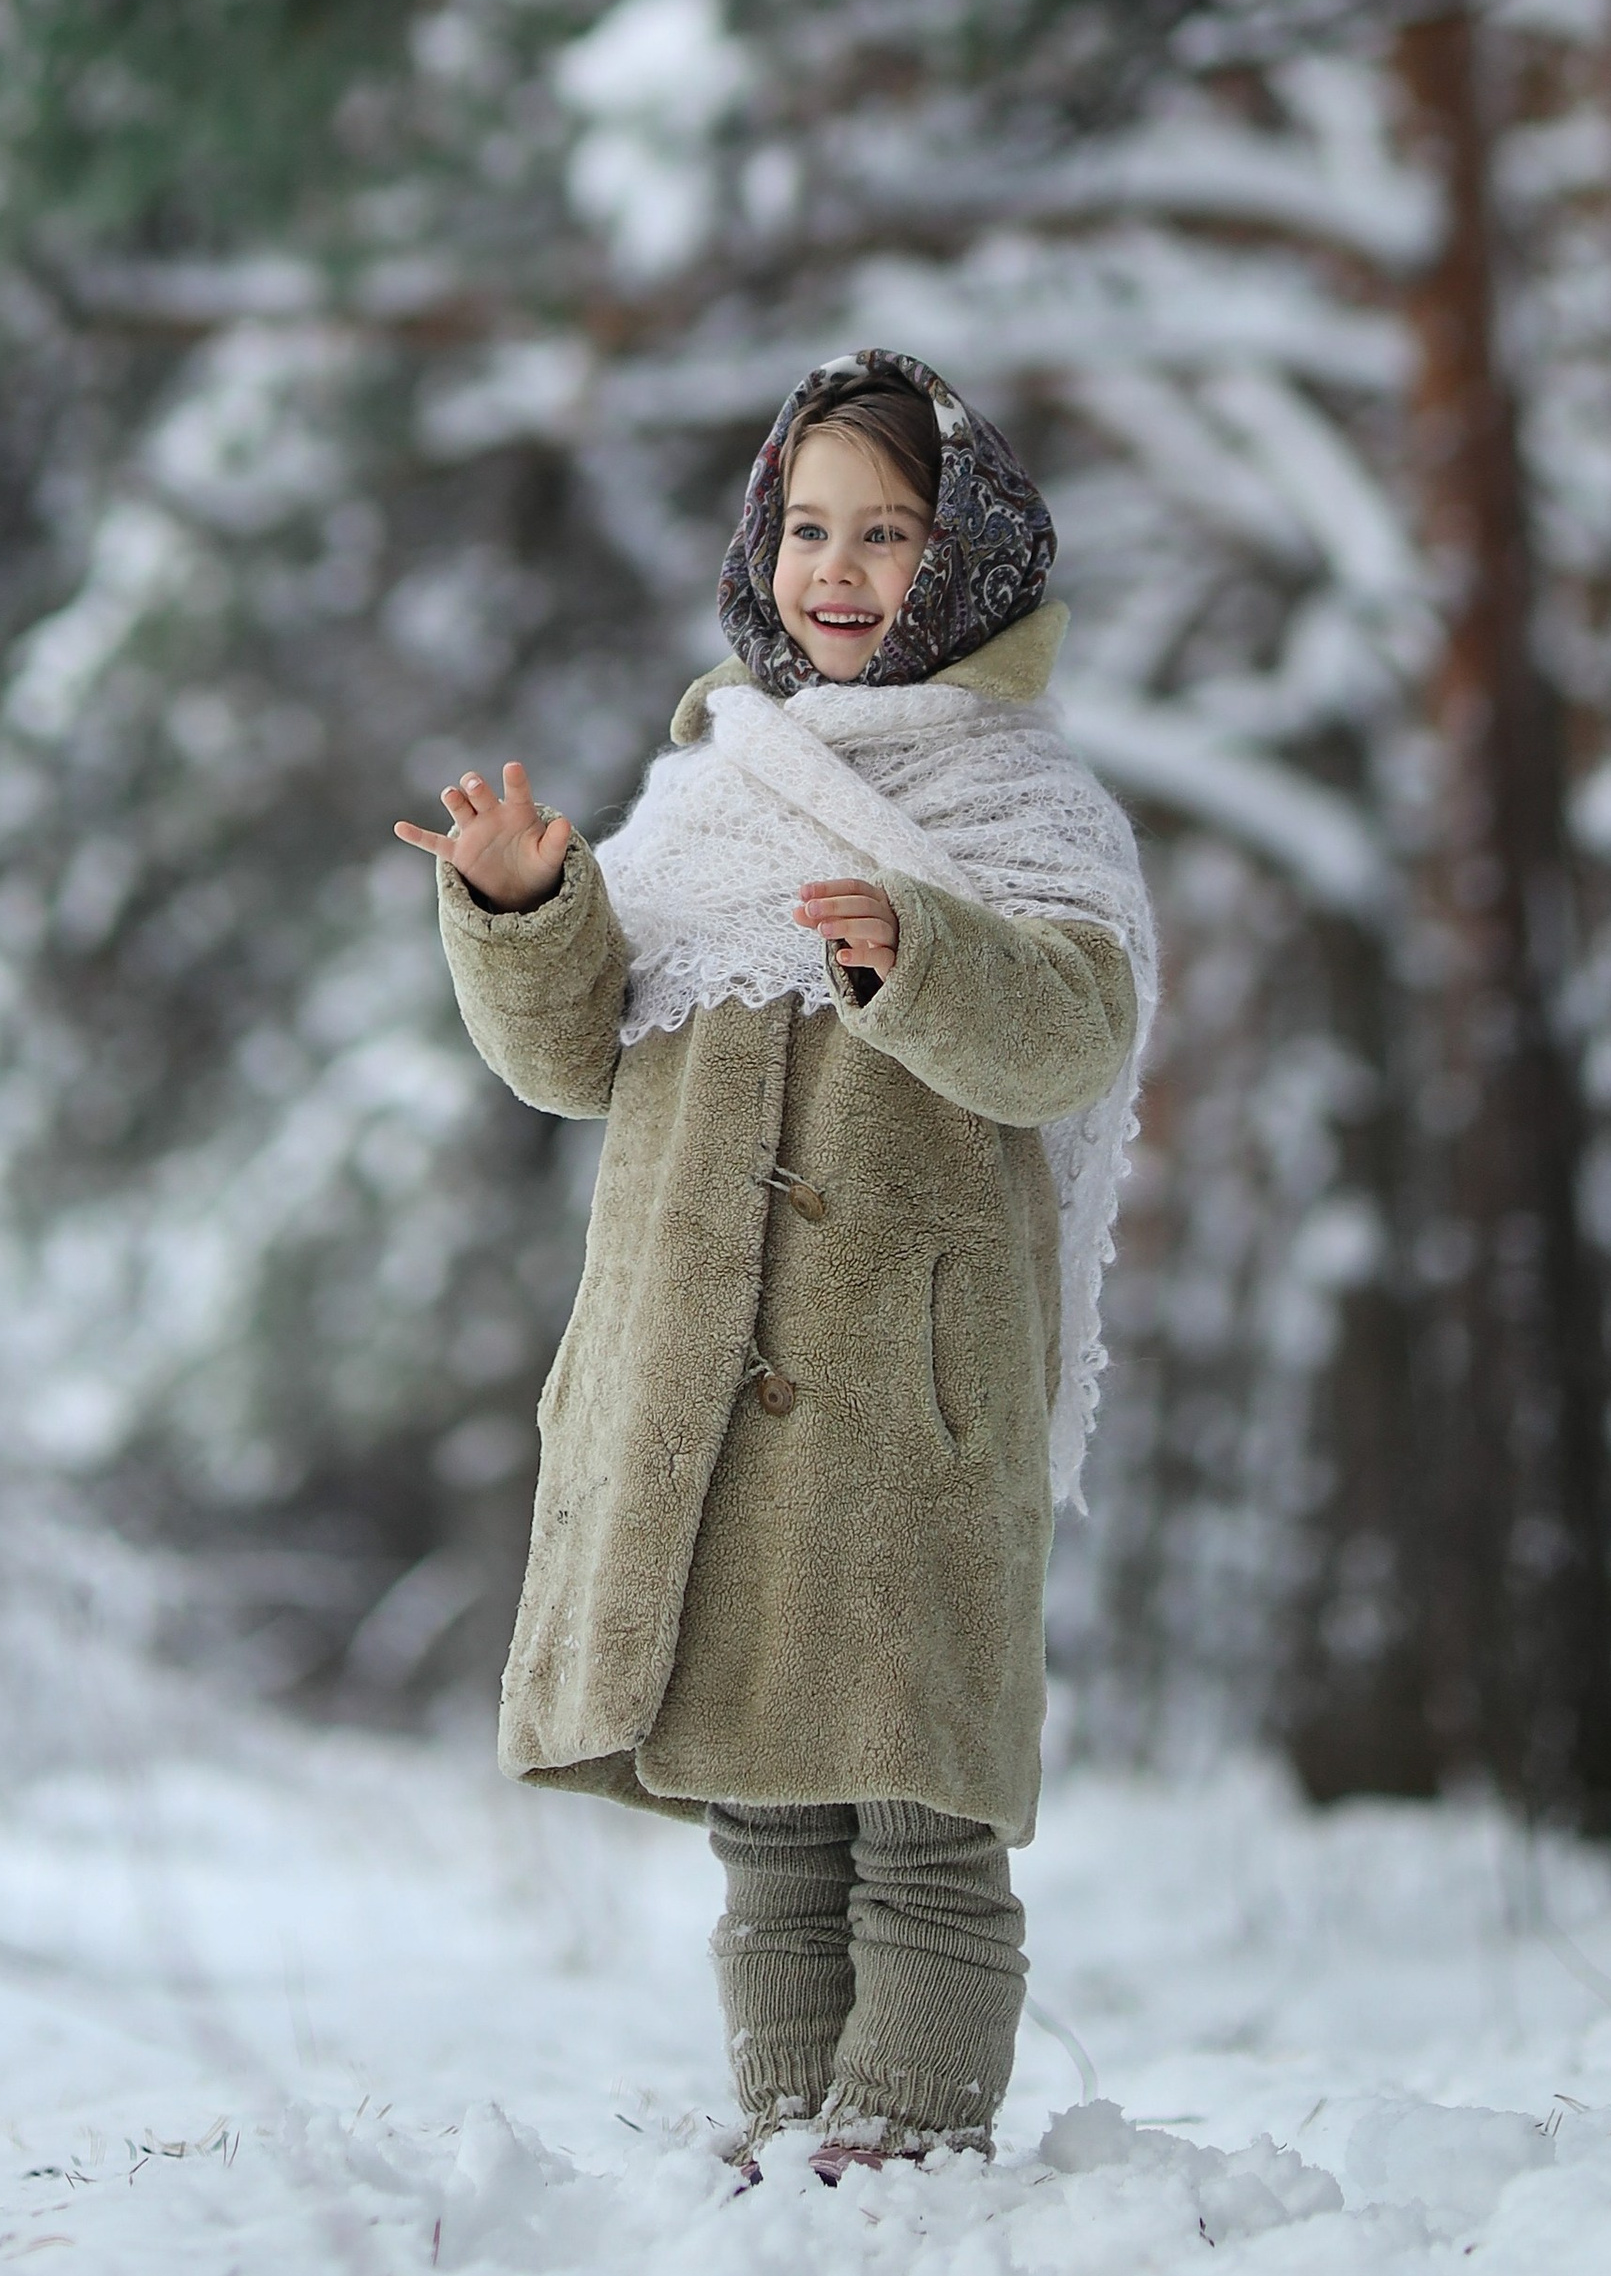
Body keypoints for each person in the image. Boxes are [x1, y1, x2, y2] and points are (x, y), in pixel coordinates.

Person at [393, 347, 1155, 2179]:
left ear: (967, 557)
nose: (840, 569)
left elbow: (1075, 1034)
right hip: (704, 1399)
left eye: (888, 532)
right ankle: (792, 2121)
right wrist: (524, 905)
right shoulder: (711, 793)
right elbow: (577, 1059)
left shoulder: (1028, 804)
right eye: (809, 529)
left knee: (919, 1815)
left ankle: (905, 2139)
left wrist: (925, 956)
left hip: (911, 1405)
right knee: (769, 1824)